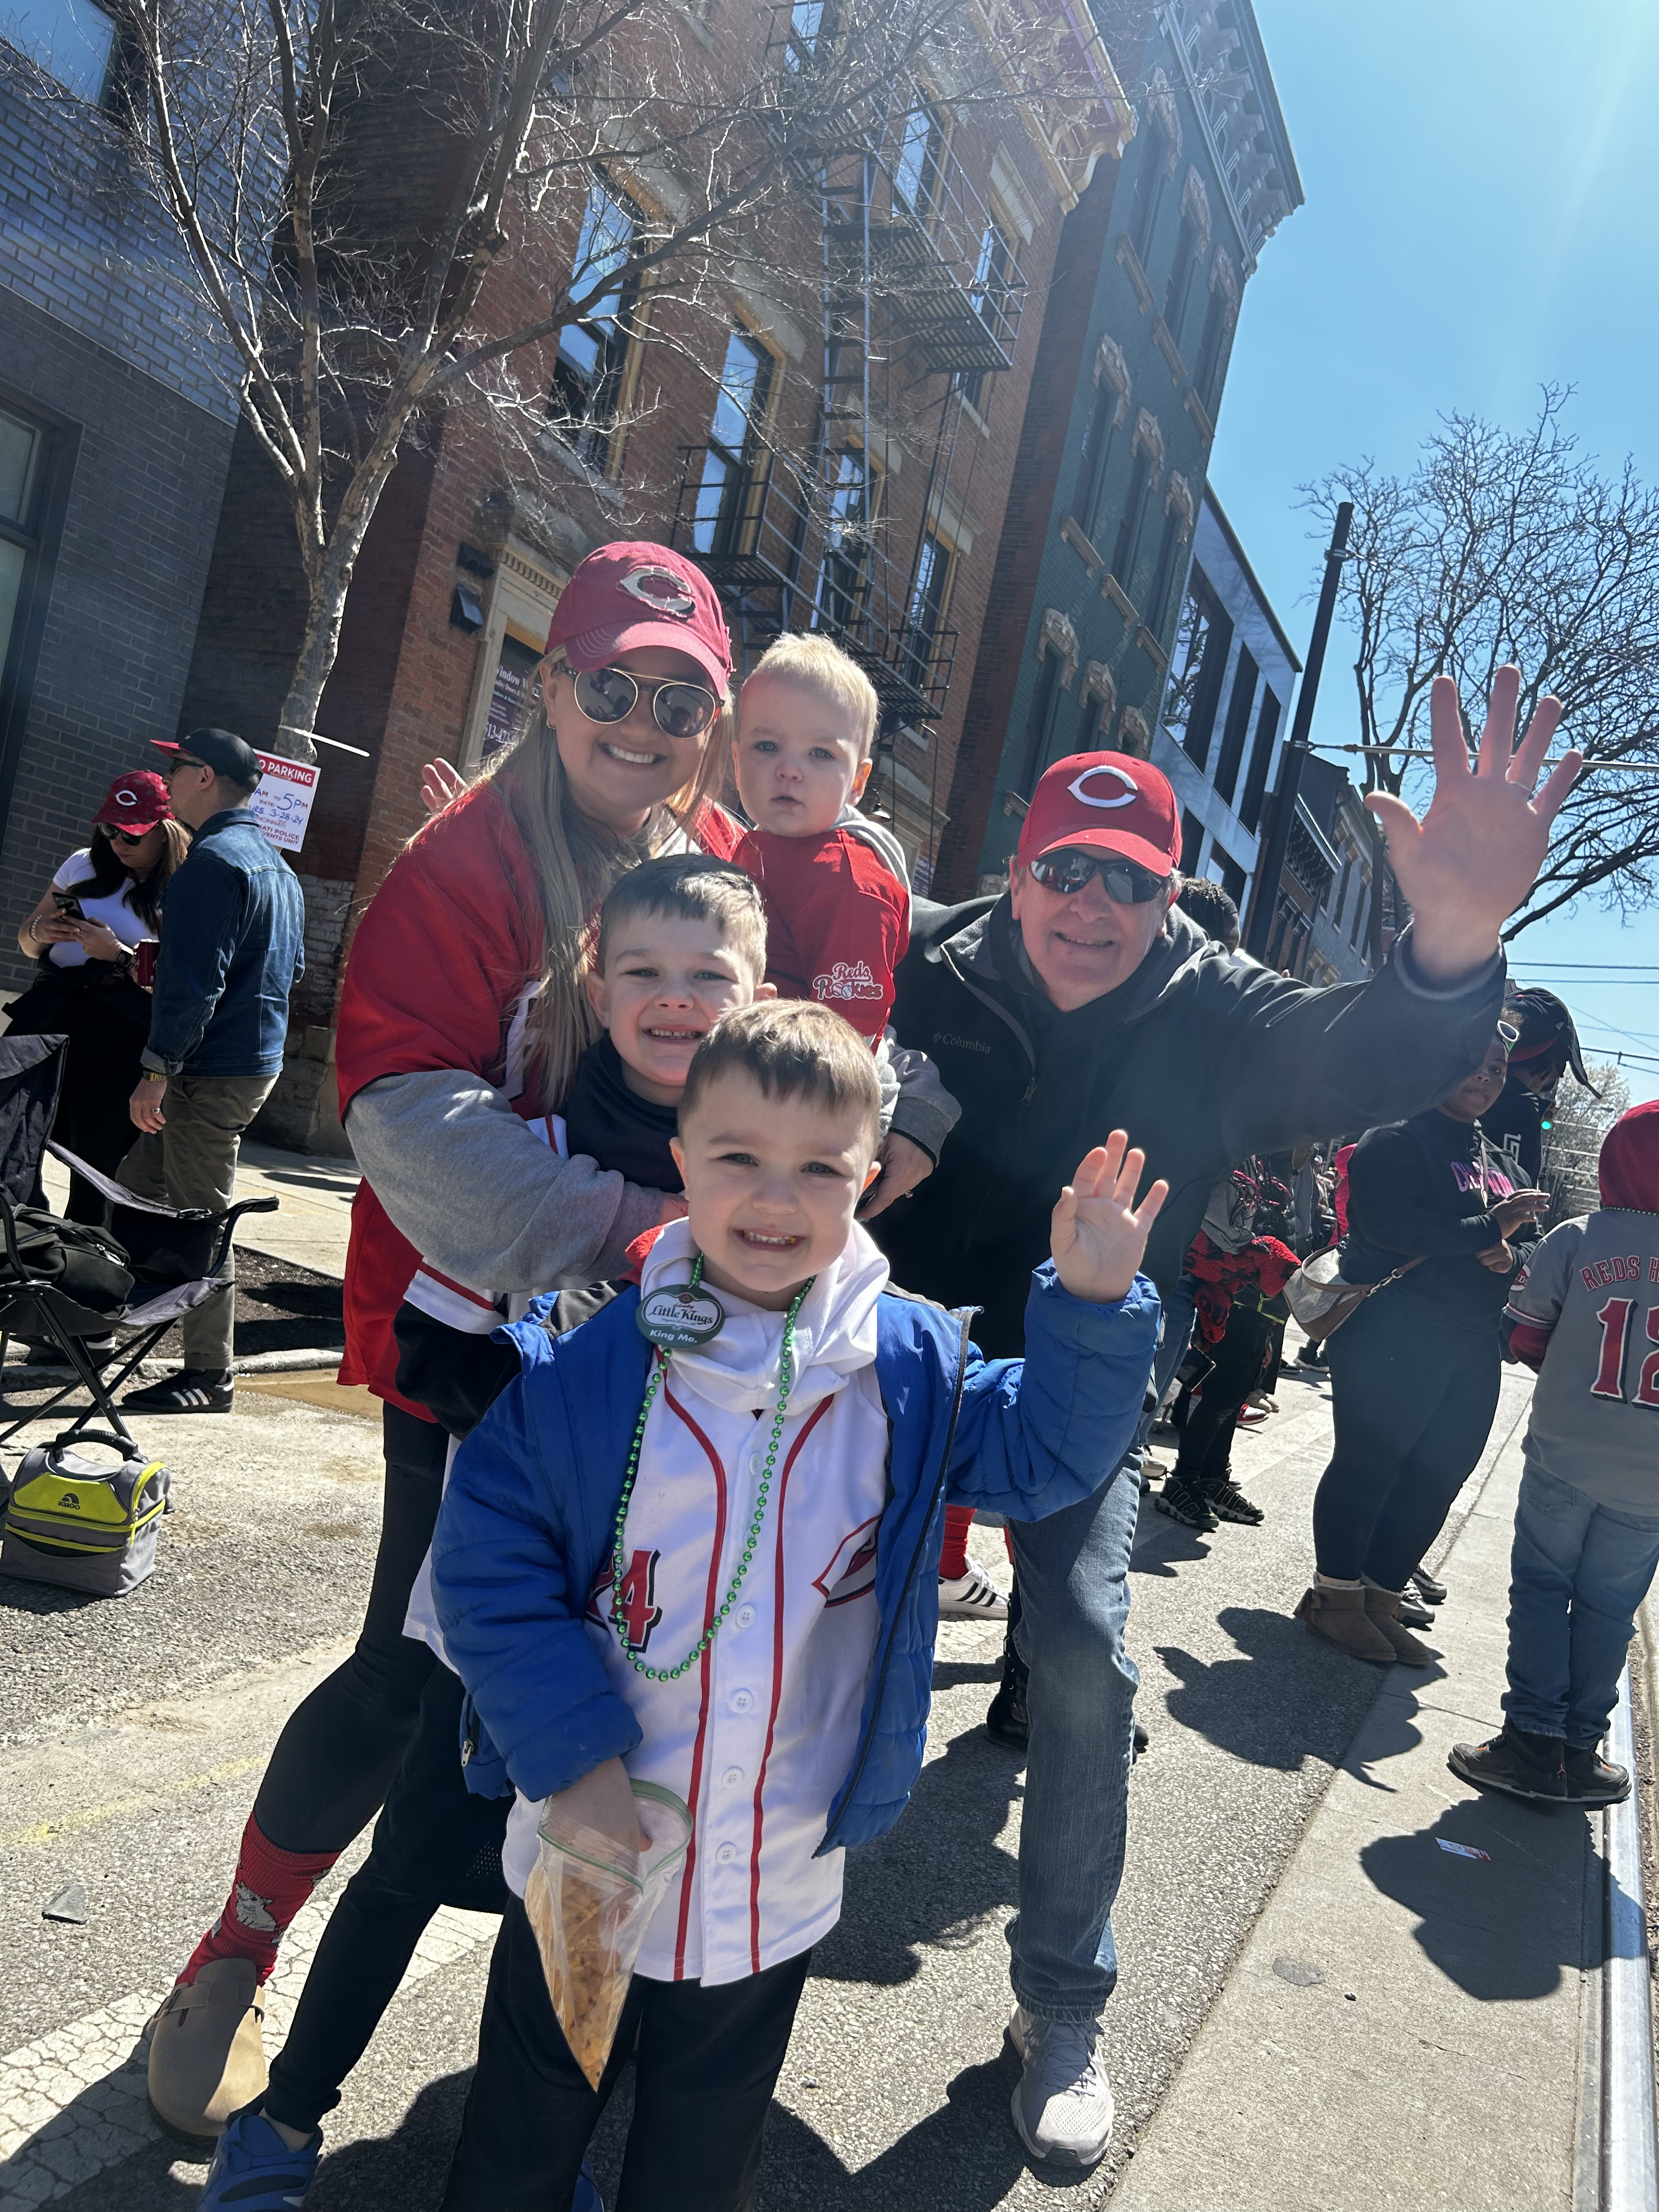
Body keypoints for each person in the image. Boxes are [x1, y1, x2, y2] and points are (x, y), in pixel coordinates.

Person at [870, 664, 1579, 2169]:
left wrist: (1451, 938)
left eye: (1126, 880)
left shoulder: (1211, 1004)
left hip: (1078, 1369)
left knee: (1080, 1650)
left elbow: (1362, 1053)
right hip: (889, 1350)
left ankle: (1062, 2008)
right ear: (1014, 871)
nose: (1087, 903)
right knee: (769, 1615)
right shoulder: (918, 956)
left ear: (1167, 895)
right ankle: (684, 1914)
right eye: (1061, 867)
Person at [145, 544, 747, 2143]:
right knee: (415, 1681)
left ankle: (568, 2045)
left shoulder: (720, 862)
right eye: (609, 683)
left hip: (667, 1373)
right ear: (554, 689)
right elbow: (409, 1124)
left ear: (714, 721)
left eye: (676, 696)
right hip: (483, 1350)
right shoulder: (466, 865)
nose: (637, 717)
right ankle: (245, 1944)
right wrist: (649, 1228)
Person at [429, 1001, 1166, 2211]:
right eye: (737, 1160)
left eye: (819, 1169)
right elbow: (485, 1569)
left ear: (868, 1181)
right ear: (680, 1164)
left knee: (704, 2152)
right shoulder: (591, 1363)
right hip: (590, 1845)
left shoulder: (911, 1366)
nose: (776, 1200)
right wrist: (572, 1760)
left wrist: (1087, 1308)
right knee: (525, 2131)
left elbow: (1043, 1461)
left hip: (770, 1866)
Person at [193, 855, 773, 2209]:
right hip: (504, 1619)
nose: (676, 1002)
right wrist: (574, 1362)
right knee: (408, 1862)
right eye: (644, 973)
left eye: (711, 978)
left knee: (596, 1900)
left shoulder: (773, 1188)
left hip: (666, 1630)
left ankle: (546, 2147)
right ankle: (281, 2121)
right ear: (595, 985)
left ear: (761, 996)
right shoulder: (542, 1152)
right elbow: (440, 1357)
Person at [1296, 1029, 1549, 1662]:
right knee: (1371, 1464)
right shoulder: (1397, 1138)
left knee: (1440, 1474)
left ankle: (1380, 1600)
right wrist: (1493, 1224)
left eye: (1496, 1069)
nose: (1486, 1078)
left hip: (1472, 1341)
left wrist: (1509, 1250)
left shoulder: (1501, 1162)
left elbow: (1527, 1246)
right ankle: (1335, 1599)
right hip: (1394, 1327)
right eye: (1472, 1064)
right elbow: (1390, 1225)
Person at [1450, 1099, 1659, 1809]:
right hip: (1650, 1481)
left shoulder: (1578, 1239)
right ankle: (1581, 1747)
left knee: (1543, 1588)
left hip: (1567, 1450)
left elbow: (1526, 1339)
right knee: (1609, 1609)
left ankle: (1531, 1741)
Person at [115, 731, 304, 1415]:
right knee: (132, 1186)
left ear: (204, 777)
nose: (168, 778)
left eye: (175, 766)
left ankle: (207, 1374)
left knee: (203, 1220)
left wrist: (156, 1070)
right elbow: (294, 974)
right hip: (248, 1064)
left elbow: (197, 984)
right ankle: (98, 1328)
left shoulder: (209, 864)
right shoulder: (277, 868)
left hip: (206, 1073)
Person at [7, 770, 187, 1226]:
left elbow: (172, 982)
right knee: (13, 1130)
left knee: (95, 1160)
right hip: (52, 1008)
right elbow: (27, 944)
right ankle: (26, 1231)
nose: (118, 842)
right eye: (109, 828)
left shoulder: (182, 887)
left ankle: (79, 1263)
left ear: (164, 832)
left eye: (132, 832)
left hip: (120, 1030)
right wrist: (40, 931)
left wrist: (117, 955)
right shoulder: (82, 864)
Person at [730, 632, 910, 1047]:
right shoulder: (755, 843)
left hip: (793, 1090)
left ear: (858, 783)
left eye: (821, 754)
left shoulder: (849, 885)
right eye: (768, 745)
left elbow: (846, 1037)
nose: (790, 769)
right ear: (738, 762)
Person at [1482, 985, 1594, 1186]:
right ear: (1547, 1070)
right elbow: (1515, 1204)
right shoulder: (1521, 1112)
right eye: (1561, 1068)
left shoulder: (1459, 1092)